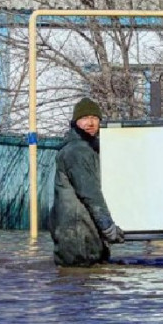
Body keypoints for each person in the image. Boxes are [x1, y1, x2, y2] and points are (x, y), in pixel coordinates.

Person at [49, 97, 124, 267]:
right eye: (85, 118)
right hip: (79, 239)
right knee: (82, 287)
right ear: (75, 122)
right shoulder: (78, 151)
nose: (91, 122)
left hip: (78, 237)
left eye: (95, 118)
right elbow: (91, 195)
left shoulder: (88, 149)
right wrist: (108, 228)